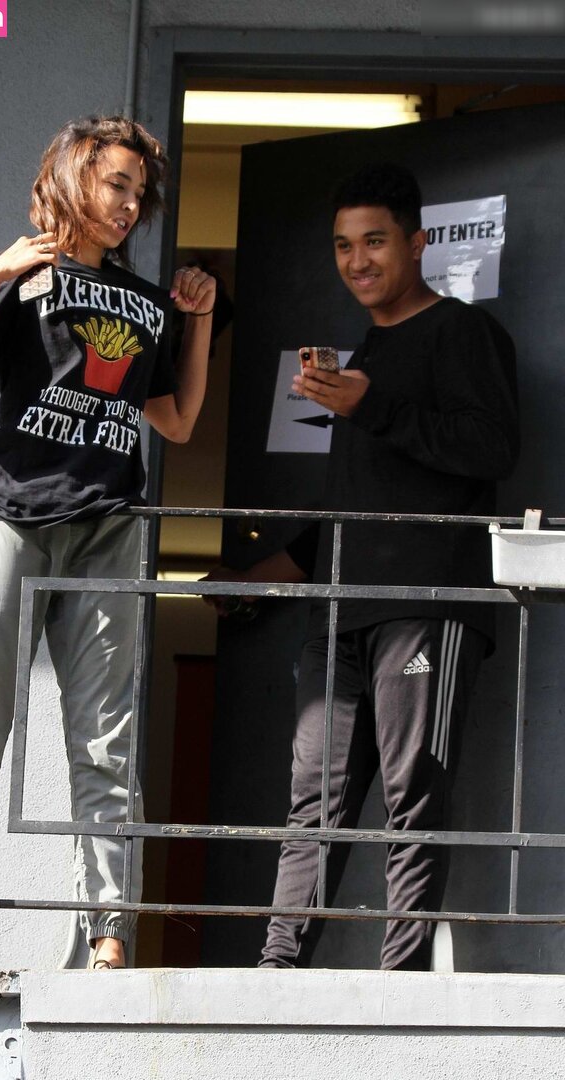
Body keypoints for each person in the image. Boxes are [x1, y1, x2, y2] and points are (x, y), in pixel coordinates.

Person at [0, 116, 216, 973]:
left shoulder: (143, 300)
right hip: (11, 519)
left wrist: (197, 323)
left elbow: (177, 421)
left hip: (108, 525)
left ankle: (110, 936)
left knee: (106, 740)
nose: (130, 204)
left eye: (139, 192)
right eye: (116, 184)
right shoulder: (24, 278)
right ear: (75, 178)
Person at [206, 163, 519, 971]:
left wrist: (367, 404)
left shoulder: (464, 332)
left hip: (427, 603)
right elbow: (356, 504)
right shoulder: (367, 352)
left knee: (414, 797)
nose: (357, 261)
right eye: (344, 246)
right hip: (340, 614)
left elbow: (492, 449)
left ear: (418, 243)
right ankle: (278, 970)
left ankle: (399, 982)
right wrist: (258, 577)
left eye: (374, 241)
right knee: (313, 801)